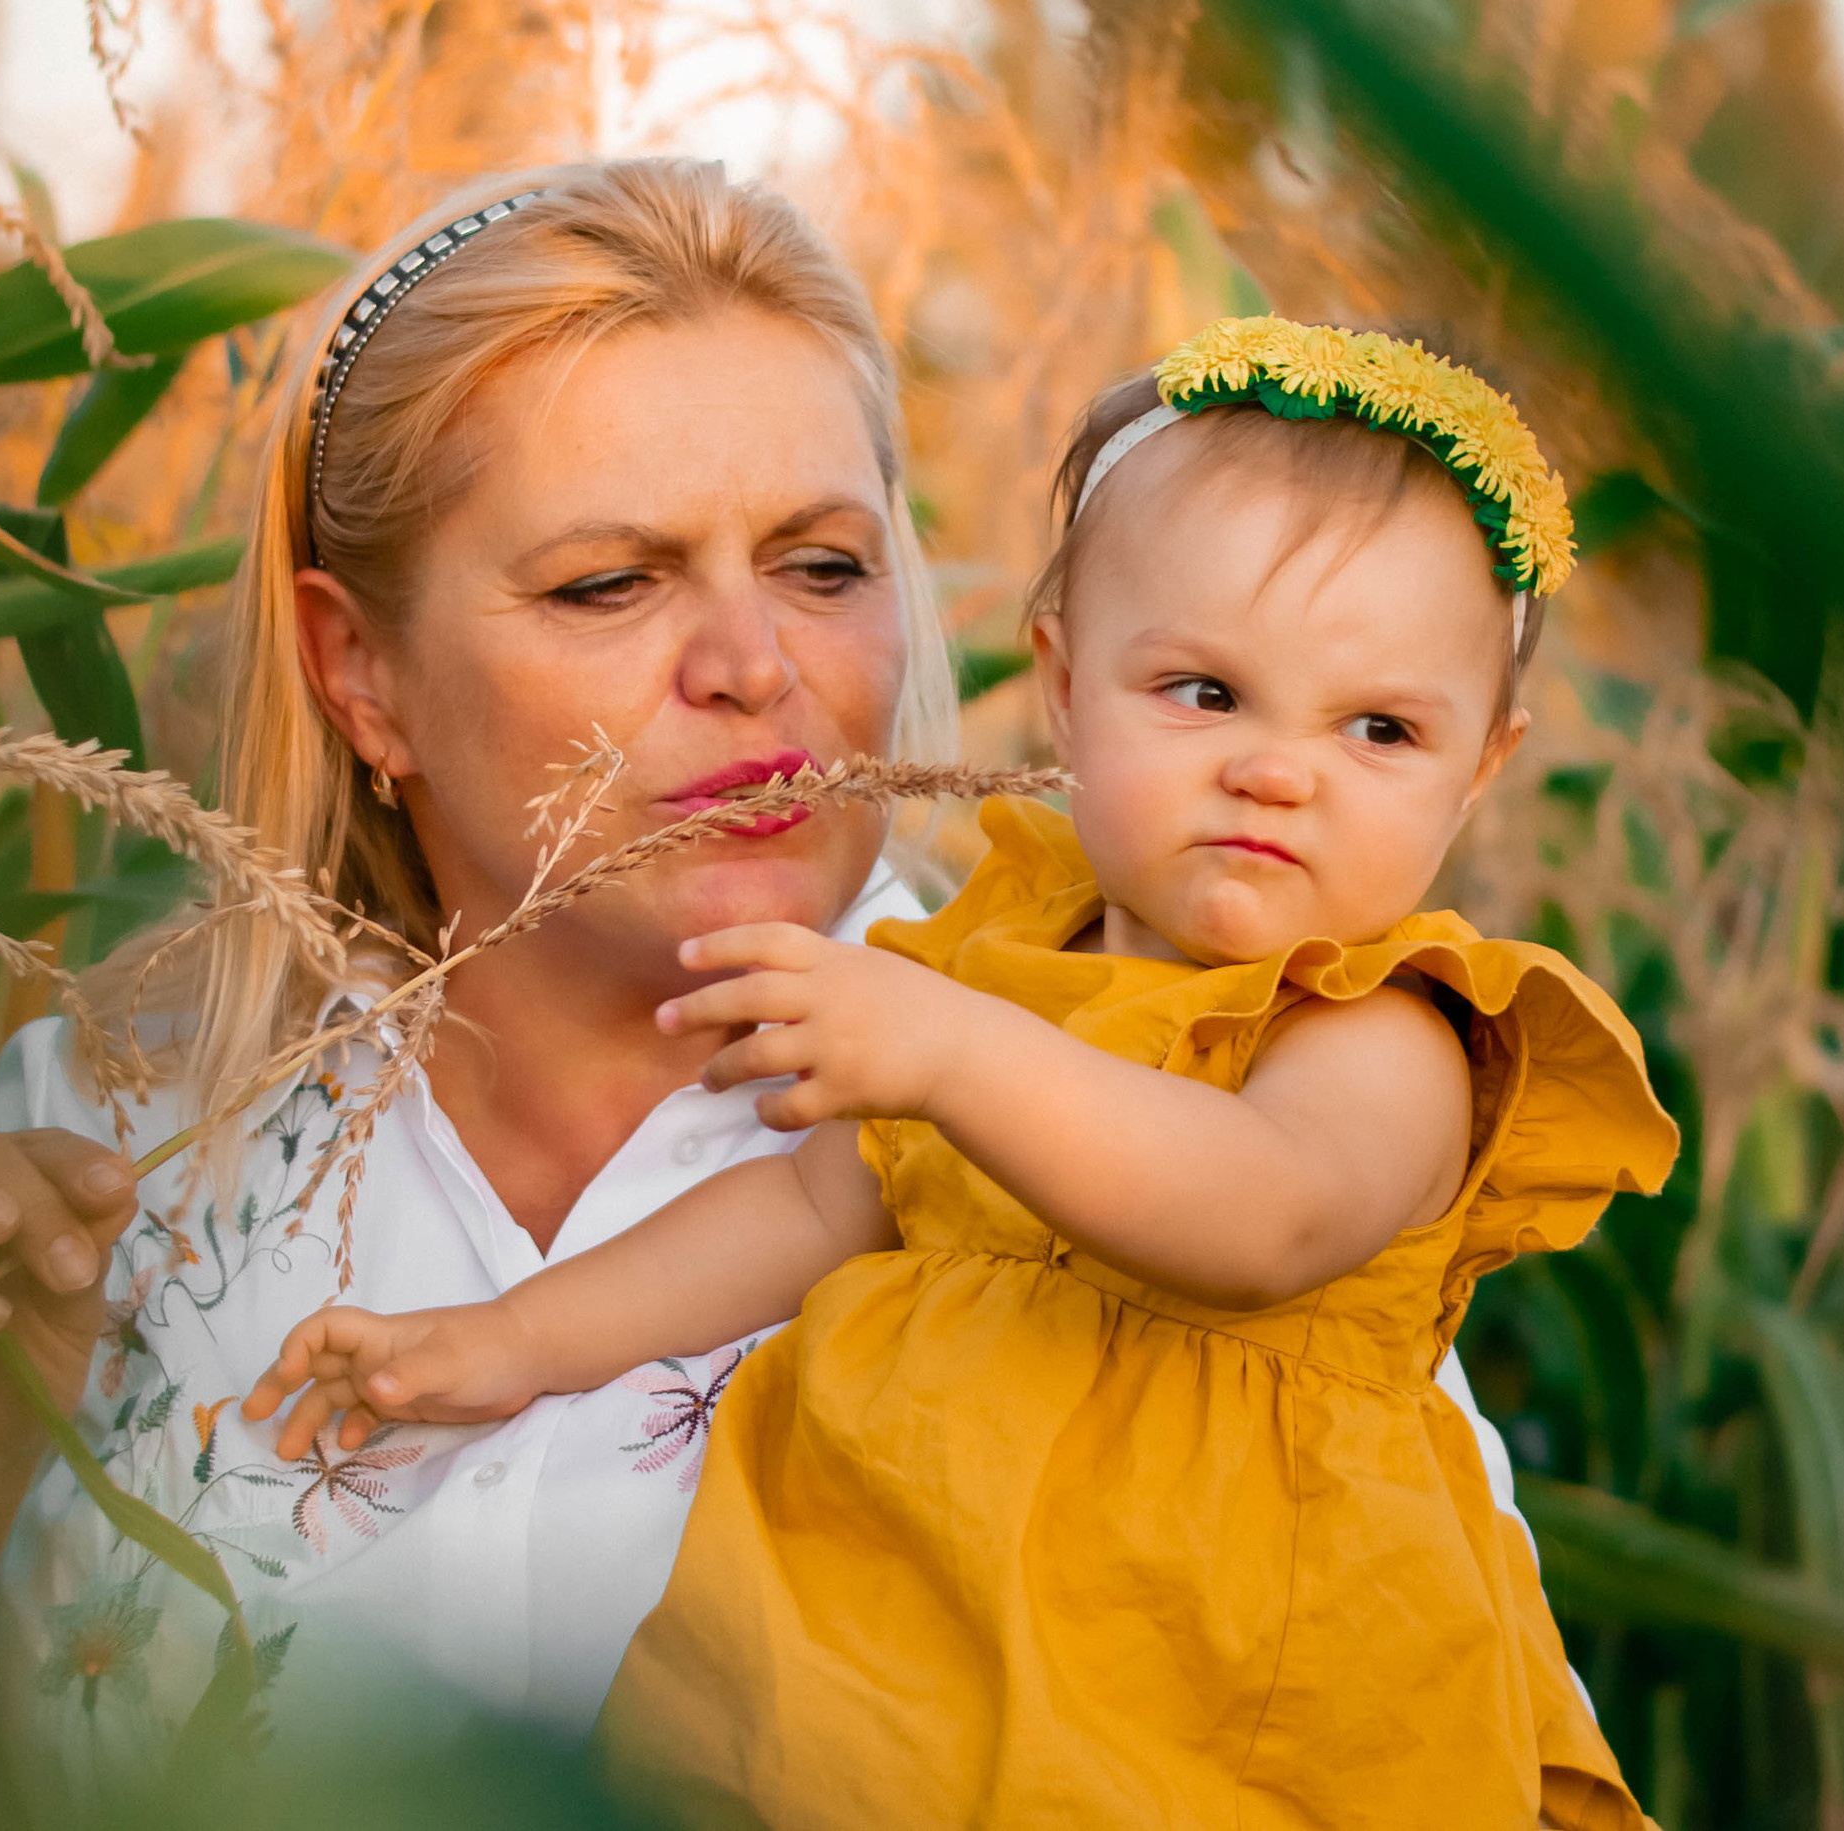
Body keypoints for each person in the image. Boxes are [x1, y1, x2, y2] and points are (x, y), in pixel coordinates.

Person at [0, 160, 1550, 1829]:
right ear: (358, 671)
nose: (753, 666)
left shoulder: (1153, 1126)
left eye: (825, 567)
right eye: (610, 582)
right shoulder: (107, 1160)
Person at [248, 316, 1681, 1830]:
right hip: (917, 1654)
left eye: (1380, 727)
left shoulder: (1385, 1030)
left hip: (1236, 1691)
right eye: (1204, 692)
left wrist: (947, 1049)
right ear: (1064, 686)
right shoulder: (1004, 949)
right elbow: (809, 1206)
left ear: (1484, 767)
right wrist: (521, 1339)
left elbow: (1265, 1214)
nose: (1278, 767)